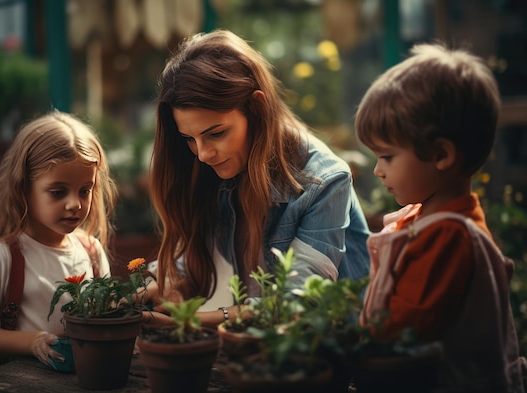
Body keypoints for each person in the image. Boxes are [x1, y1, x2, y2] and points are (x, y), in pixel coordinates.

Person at [146, 29, 370, 328]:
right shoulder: (219, 166)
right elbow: (192, 260)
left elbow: (301, 302)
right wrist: (169, 291)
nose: (202, 154)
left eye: (216, 133)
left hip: (338, 351)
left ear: (258, 108)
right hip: (263, 351)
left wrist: (197, 320)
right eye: (189, 138)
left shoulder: (324, 181)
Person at [356, 43, 525, 391]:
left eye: (387, 157)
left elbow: (400, 330)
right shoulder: (431, 216)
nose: (377, 170)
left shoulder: (447, 235)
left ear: (441, 154)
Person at [0, 111, 117, 369]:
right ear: (24, 189)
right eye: (58, 192)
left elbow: (108, 316)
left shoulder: (91, 251)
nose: (74, 204)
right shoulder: (5, 255)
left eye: (84, 191)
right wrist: (32, 342)